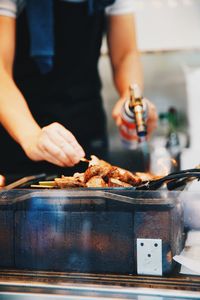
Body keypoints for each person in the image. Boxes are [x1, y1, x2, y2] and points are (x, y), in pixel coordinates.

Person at [0, 0, 157, 176]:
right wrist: (31, 136)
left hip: (87, 127)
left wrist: (130, 99)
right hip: (20, 131)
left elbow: (125, 55)